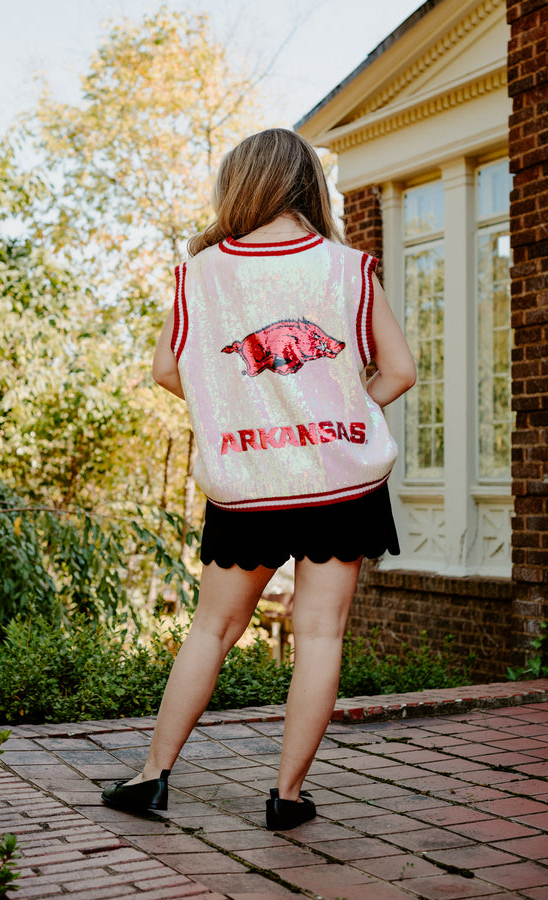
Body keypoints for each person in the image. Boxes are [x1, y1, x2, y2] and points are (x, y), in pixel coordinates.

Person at [102, 128, 416, 831]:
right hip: (339, 483)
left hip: (246, 482)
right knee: (321, 635)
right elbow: (400, 371)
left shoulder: (201, 272)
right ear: (309, 185)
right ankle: (288, 796)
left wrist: (235, 410)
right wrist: (338, 410)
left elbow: (165, 371)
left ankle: (152, 777)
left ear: (239, 187)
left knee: (211, 629)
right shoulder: (348, 269)